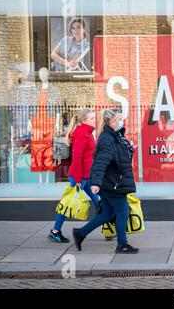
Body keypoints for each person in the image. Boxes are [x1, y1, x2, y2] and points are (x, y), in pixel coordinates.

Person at [72, 109, 139, 254]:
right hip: (113, 183)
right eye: (120, 119)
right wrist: (95, 183)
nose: (122, 121)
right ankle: (122, 244)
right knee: (123, 212)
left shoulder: (115, 136)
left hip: (112, 181)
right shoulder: (108, 139)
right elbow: (101, 162)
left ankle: (81, 233)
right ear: (112, 121)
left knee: (107, 213)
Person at [48, 109, 100, 243]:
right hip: (80, 176)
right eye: (92, 118)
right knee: (68, 204)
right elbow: (77, 158)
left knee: (98, 202)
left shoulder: (88, 132)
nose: (95, 120)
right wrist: (77, 180)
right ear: (84, 120)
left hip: (87, 175)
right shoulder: (82, 134)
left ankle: (109, 229)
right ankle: (55, 231)